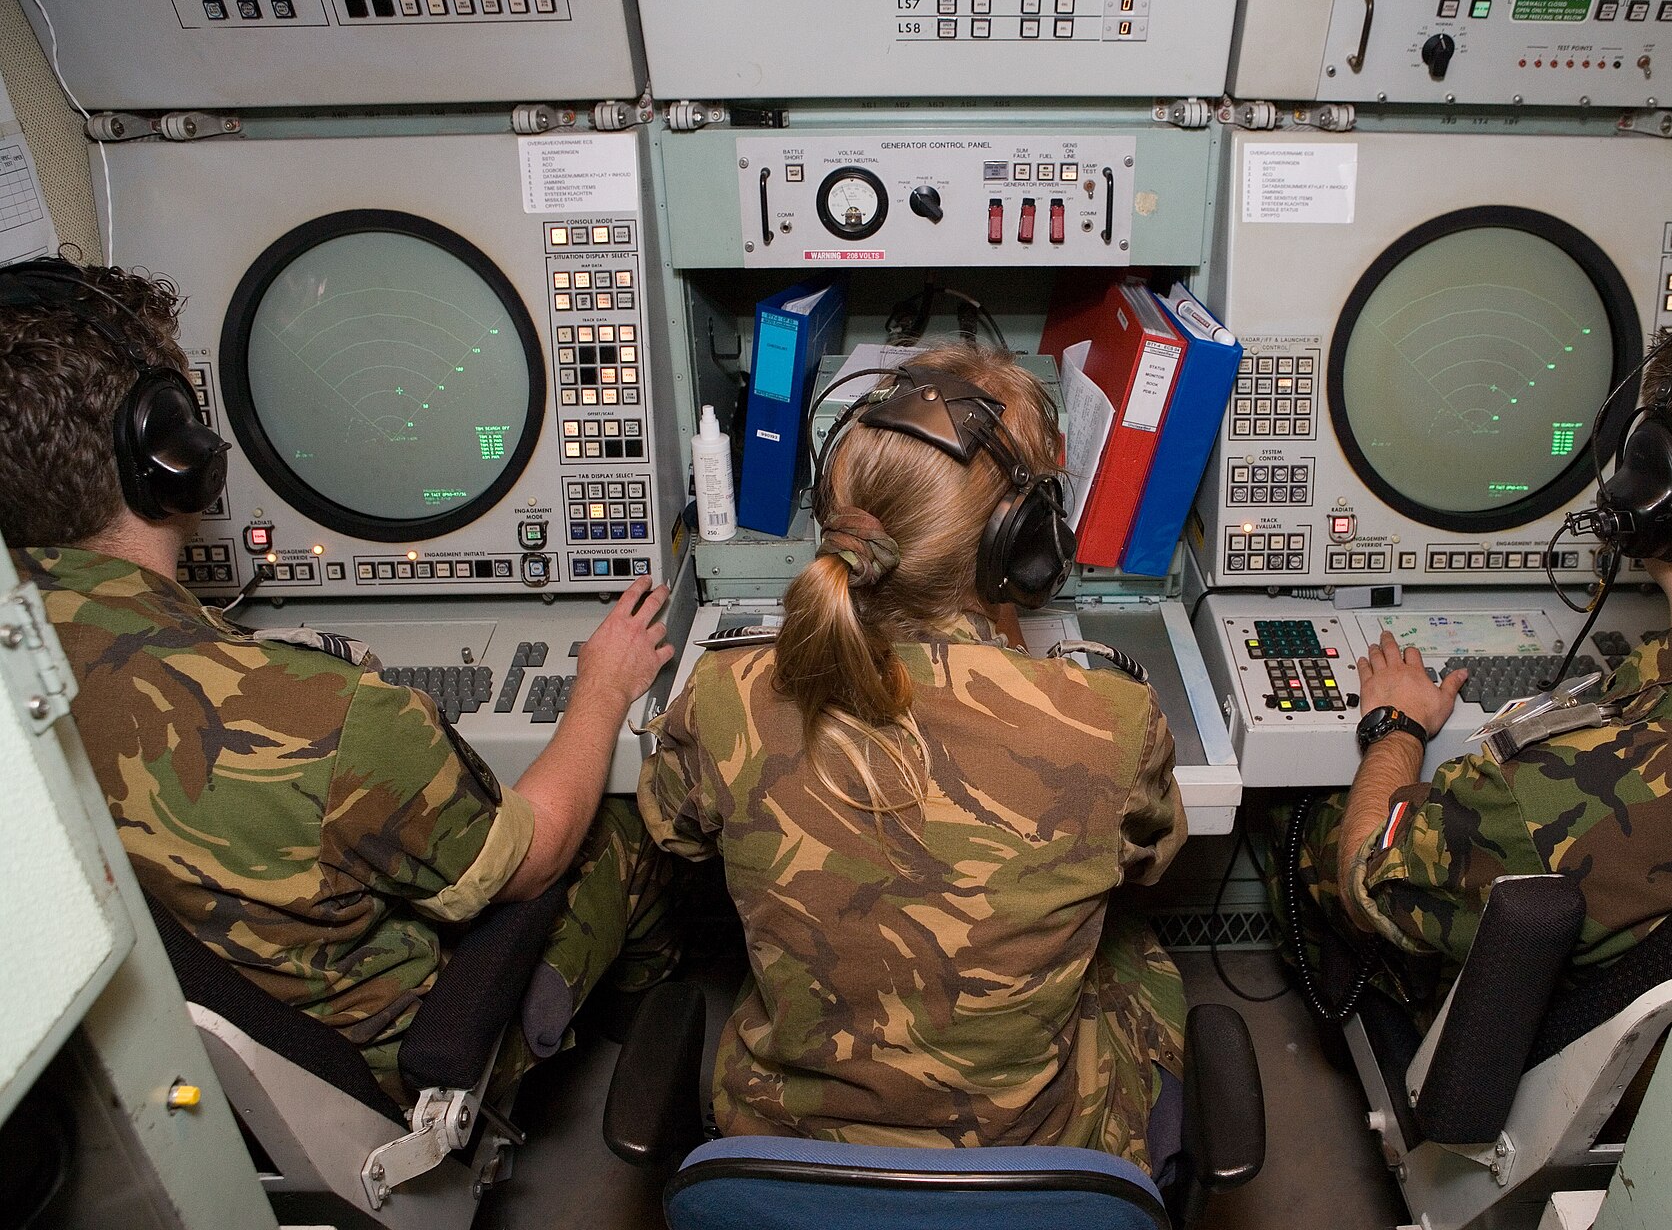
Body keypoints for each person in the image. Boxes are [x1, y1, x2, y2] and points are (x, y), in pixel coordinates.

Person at [0, 258, 680, 1101]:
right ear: (166, 453)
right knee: (627, 812)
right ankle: (650, 1031)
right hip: (385, 1069)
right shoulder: (326, 715)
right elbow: (530, 861)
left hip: (191, 1076)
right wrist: (603, 690)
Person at [1274, 306, 1672, 1024]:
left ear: (1657, 496)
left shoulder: (1545, 796)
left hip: (1561, 1049)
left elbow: (1368, 875)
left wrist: (1394, 729)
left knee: (1307, 828)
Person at [638, 343, 1187, 1176]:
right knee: (1134, 953)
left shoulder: (728, 693)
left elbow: (676, 832)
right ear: (1019, 545)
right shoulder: (1107, 718)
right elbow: (1150, 854)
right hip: (1030, 1154)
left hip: (784, 1150)